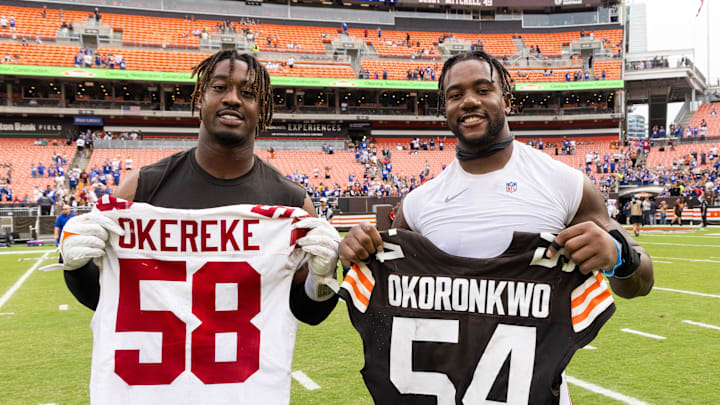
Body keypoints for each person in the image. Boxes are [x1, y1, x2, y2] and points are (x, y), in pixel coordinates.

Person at [339, 50, 653, 404]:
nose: (469, 101)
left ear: (507, 99)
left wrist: (618, 256)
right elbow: (388, 298)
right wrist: (354, 255)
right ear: (445, 109)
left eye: (482, 89)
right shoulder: (418, 205)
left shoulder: (564, 184)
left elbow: (640, 283)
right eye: (455, 95)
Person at [52, 51, 340, 404]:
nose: (233, 98)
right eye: (220, 86)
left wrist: (321, 280)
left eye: (248, 93)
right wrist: (77, 268)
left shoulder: (288, 204)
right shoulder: (142, 190)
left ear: (262, 109)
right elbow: (108, 300)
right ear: (200, 96)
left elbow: (308, 312)